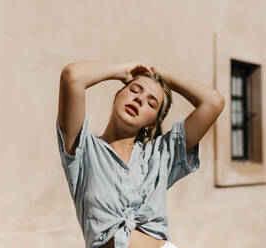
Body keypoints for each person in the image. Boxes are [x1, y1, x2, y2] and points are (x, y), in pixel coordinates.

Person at [55, 61, 225, 248]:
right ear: (117, 96)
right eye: (134, 90)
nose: (139, 99)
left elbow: (213, 102)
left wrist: (166, 77)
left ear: (151, 123)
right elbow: (72, 76)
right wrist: (121, 71)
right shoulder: (83, 151)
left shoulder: (162, 154)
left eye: (151, 103)